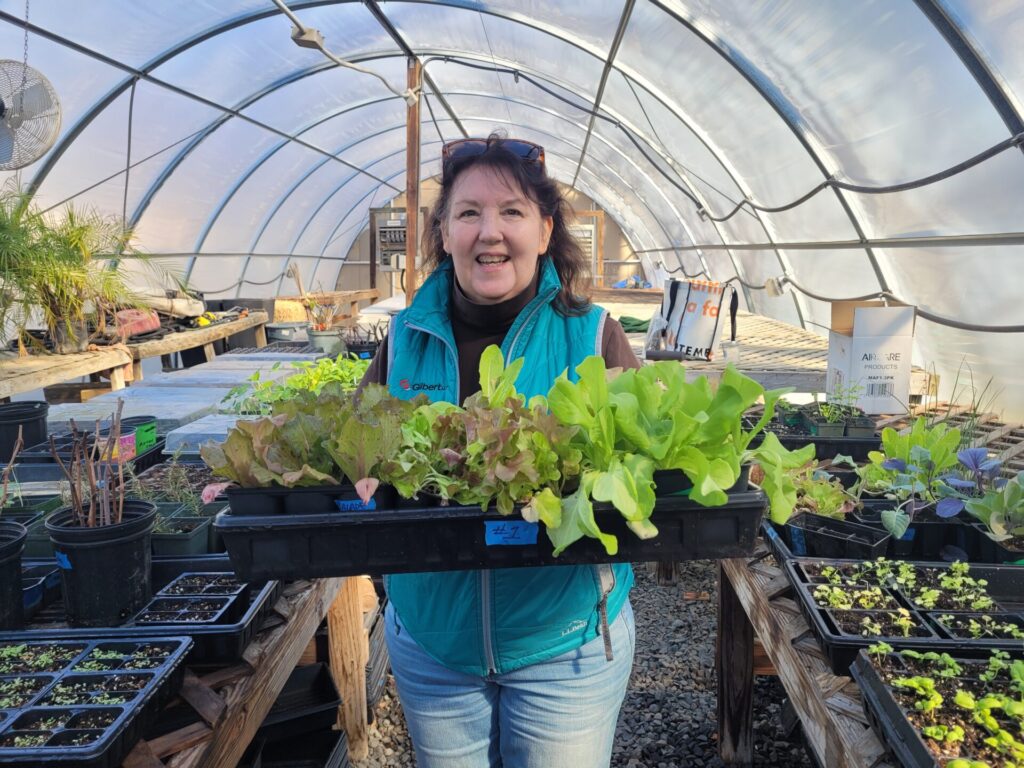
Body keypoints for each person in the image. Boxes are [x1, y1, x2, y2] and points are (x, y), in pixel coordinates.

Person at [358, 133, 642, 767]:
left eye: (511, 212)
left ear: (544, 231)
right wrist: (357, 474)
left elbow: (642, 474)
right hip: (434, 648)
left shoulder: (593, 336)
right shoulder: (404, 339)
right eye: (468, 213)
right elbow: (354, 451)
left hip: (563, 646)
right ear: (444, 232)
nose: (490, 232)